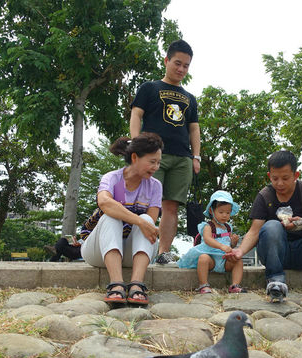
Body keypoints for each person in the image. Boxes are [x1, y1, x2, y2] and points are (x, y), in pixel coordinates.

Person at [225, 150, 302, 298]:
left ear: (296, 175)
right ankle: (275, 280)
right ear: (269, 176)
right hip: (275, 253)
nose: (279, 183)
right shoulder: (264, 196)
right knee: (272, 225)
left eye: (285, 178)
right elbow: (254, 231)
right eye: (275, 178)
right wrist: (240, 251)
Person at [129, 39, 200, 266]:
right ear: (167, 60)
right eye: (177, 63)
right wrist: (135, 144)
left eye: (186, 66)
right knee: (148, 204)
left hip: (182, 158)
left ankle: (163, 252)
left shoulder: (190, 98)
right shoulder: (149, 88)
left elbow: (194, 128)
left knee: (171, 207)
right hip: (153, 156)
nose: (181, 69)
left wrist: (196, 156)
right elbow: (136, 114)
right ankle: (141, 250)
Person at [80, 133, 163, 305]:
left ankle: (136, 285)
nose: (156, 167)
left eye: (158, 162)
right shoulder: (112, 178)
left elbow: (150, 224)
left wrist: (142, 221)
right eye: (152, 161)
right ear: (134, 157)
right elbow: (104, 202)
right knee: (112, 216)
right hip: (98, 252)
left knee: (147, 219)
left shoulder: (155, 186)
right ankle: (116, 285)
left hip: (131, 254)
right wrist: (138, 220)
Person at [178, 190, 246, 294]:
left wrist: (233, 243)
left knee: (238, 261)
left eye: (228, 213)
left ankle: (234, 285)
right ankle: (203, 284)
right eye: (221, 212)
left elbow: (228, 244)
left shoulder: (228, 228)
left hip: (224, 260)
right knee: (203, 258)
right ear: (211, 211)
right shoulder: (207, 226)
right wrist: (221, 246)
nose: (225, 215)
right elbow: (208, 239)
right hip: (211, 259)